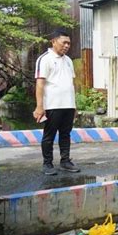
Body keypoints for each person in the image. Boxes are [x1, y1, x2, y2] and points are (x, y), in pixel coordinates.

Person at [33, 29, 80, 175]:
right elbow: (40, 84)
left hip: (68, 105)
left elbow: (71, 84)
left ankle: (65, 161)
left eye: (68, 43)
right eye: (63, 42)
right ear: (53, 41)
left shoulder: (68, 61)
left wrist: (74, 105)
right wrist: (40, 107)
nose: (66, 46)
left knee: (65, 134)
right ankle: (47, 164)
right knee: (49, 135)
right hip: (52, 105)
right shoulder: (45, 59)